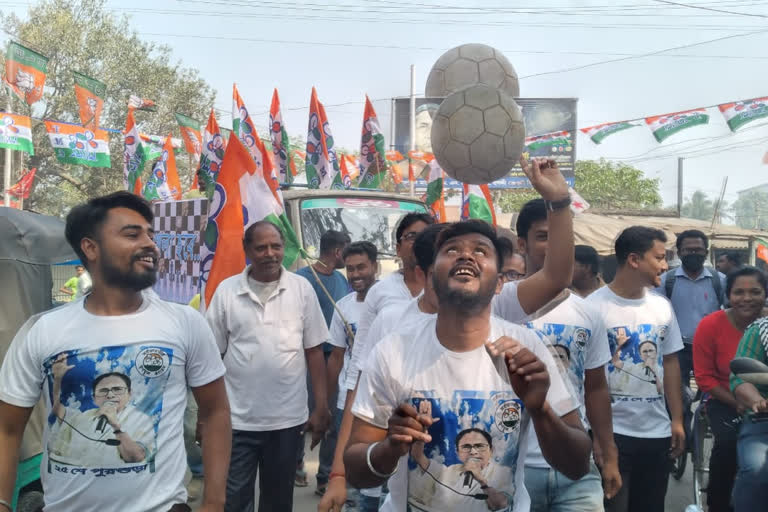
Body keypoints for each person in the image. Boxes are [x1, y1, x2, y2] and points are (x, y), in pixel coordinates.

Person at [0, 191, 231, 511]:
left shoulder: (185, 323)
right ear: (90, 247)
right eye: (132, 234)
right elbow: (7, 427)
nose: (150, 243)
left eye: (150, 233)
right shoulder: (44, 331)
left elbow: (216, 411)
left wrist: (215, 502)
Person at [344, 220, 591, 511]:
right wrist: (389, 448)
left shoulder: (527, 351)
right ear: (431, 278)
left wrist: (541, 410)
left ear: (500, 282)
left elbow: (577, 465)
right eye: (451, 250)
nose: (466, 256)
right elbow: (357, 472)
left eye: (480, 251)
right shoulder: (393, 352)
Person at [205, 220, 334, 512]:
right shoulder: (227, 291)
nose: (270, 253)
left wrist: (322, 407)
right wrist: (207, 416)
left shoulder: (301, 289)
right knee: (234, 499)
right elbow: (211, 358)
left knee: (277, 501)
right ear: (247, 250)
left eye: (276, 246)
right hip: (237, 420)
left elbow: (314, 352)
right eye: (261, 247)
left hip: (287, 421)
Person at [318, 223, 447, 512]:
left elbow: (553, 279)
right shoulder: (390, 318)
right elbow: (358, 383)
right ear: (423, 272)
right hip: (389, 460)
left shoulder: (498, 325)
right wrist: (338, 475)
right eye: (412, 236)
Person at [512, 198, 620, 511]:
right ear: (522, 244)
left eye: (564, 238)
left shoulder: (587, 314)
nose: (558, 246)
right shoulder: (500, 311)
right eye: (545, 236)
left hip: (576, 468)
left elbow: (596, 387)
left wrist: (608, 453)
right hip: (516, 467)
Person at [587, 226, 685, 512]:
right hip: (613, 435)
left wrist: (676, 419)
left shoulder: (662, 307)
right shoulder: (592, 308)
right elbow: (586, 378)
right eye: (659, 257)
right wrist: (597, 437)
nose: (666, 265)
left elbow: (670, 363)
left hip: (657, 434)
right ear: (634, 260)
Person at [694, 267, 767, 512]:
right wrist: (737, 401)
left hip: (759, 400)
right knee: (727, 445)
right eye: (739, 292)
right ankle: (718, 504)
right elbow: (704, 378)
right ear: (728, 295)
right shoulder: (710, 325)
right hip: (724, 398)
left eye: (755, 292)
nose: (747, 298)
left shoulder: (765, 326)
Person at [658, 229, 725, 452]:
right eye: (688, 250)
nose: (693, 253)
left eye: (698, 250)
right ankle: (681, 440)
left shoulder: (719, 281)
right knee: (677, 398)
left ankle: (710, 434)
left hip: (711, 351)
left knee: (714, 397)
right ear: (680, 252)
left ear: (706, 252)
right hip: (677, 350)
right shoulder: (667, 281)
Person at [295, 229, 351, 492]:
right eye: (346, 252)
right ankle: (295, 465)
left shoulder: (342, 281)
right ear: (338, 252)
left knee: (330, 417)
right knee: (301, 415)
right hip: (307, 357)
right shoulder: (302, 280)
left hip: (335, 359)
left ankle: (325, 476)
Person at [324, 241, 378, 510]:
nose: (355, 274)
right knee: (345, 467)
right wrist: (323, 403)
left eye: (361, 267)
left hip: (377, 403)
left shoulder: (390, 304)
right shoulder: (343, 306)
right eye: (350, 269)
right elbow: (336, 356)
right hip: (346, 402)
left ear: (375, 267)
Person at [730, 312, 768, 512]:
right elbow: (739, 379)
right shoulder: (760, 331)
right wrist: (758, 401)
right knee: (758, 473)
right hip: (764, 420)